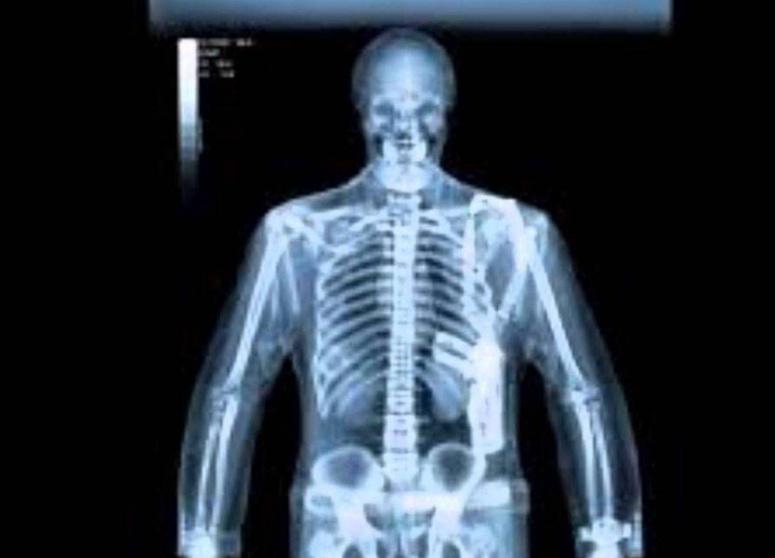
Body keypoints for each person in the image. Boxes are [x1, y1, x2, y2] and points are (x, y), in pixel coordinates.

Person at [178, 28, 642, 558]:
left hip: (468, 507)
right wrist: (204, 539)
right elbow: (231, 390)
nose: (406, 131)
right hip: (345, 512)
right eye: (387, 112)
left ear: (447, 114)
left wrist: (607, 535)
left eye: (426, 112)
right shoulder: (297, 233)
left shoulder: (514, 233)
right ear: (362, 114)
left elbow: (582, 391)